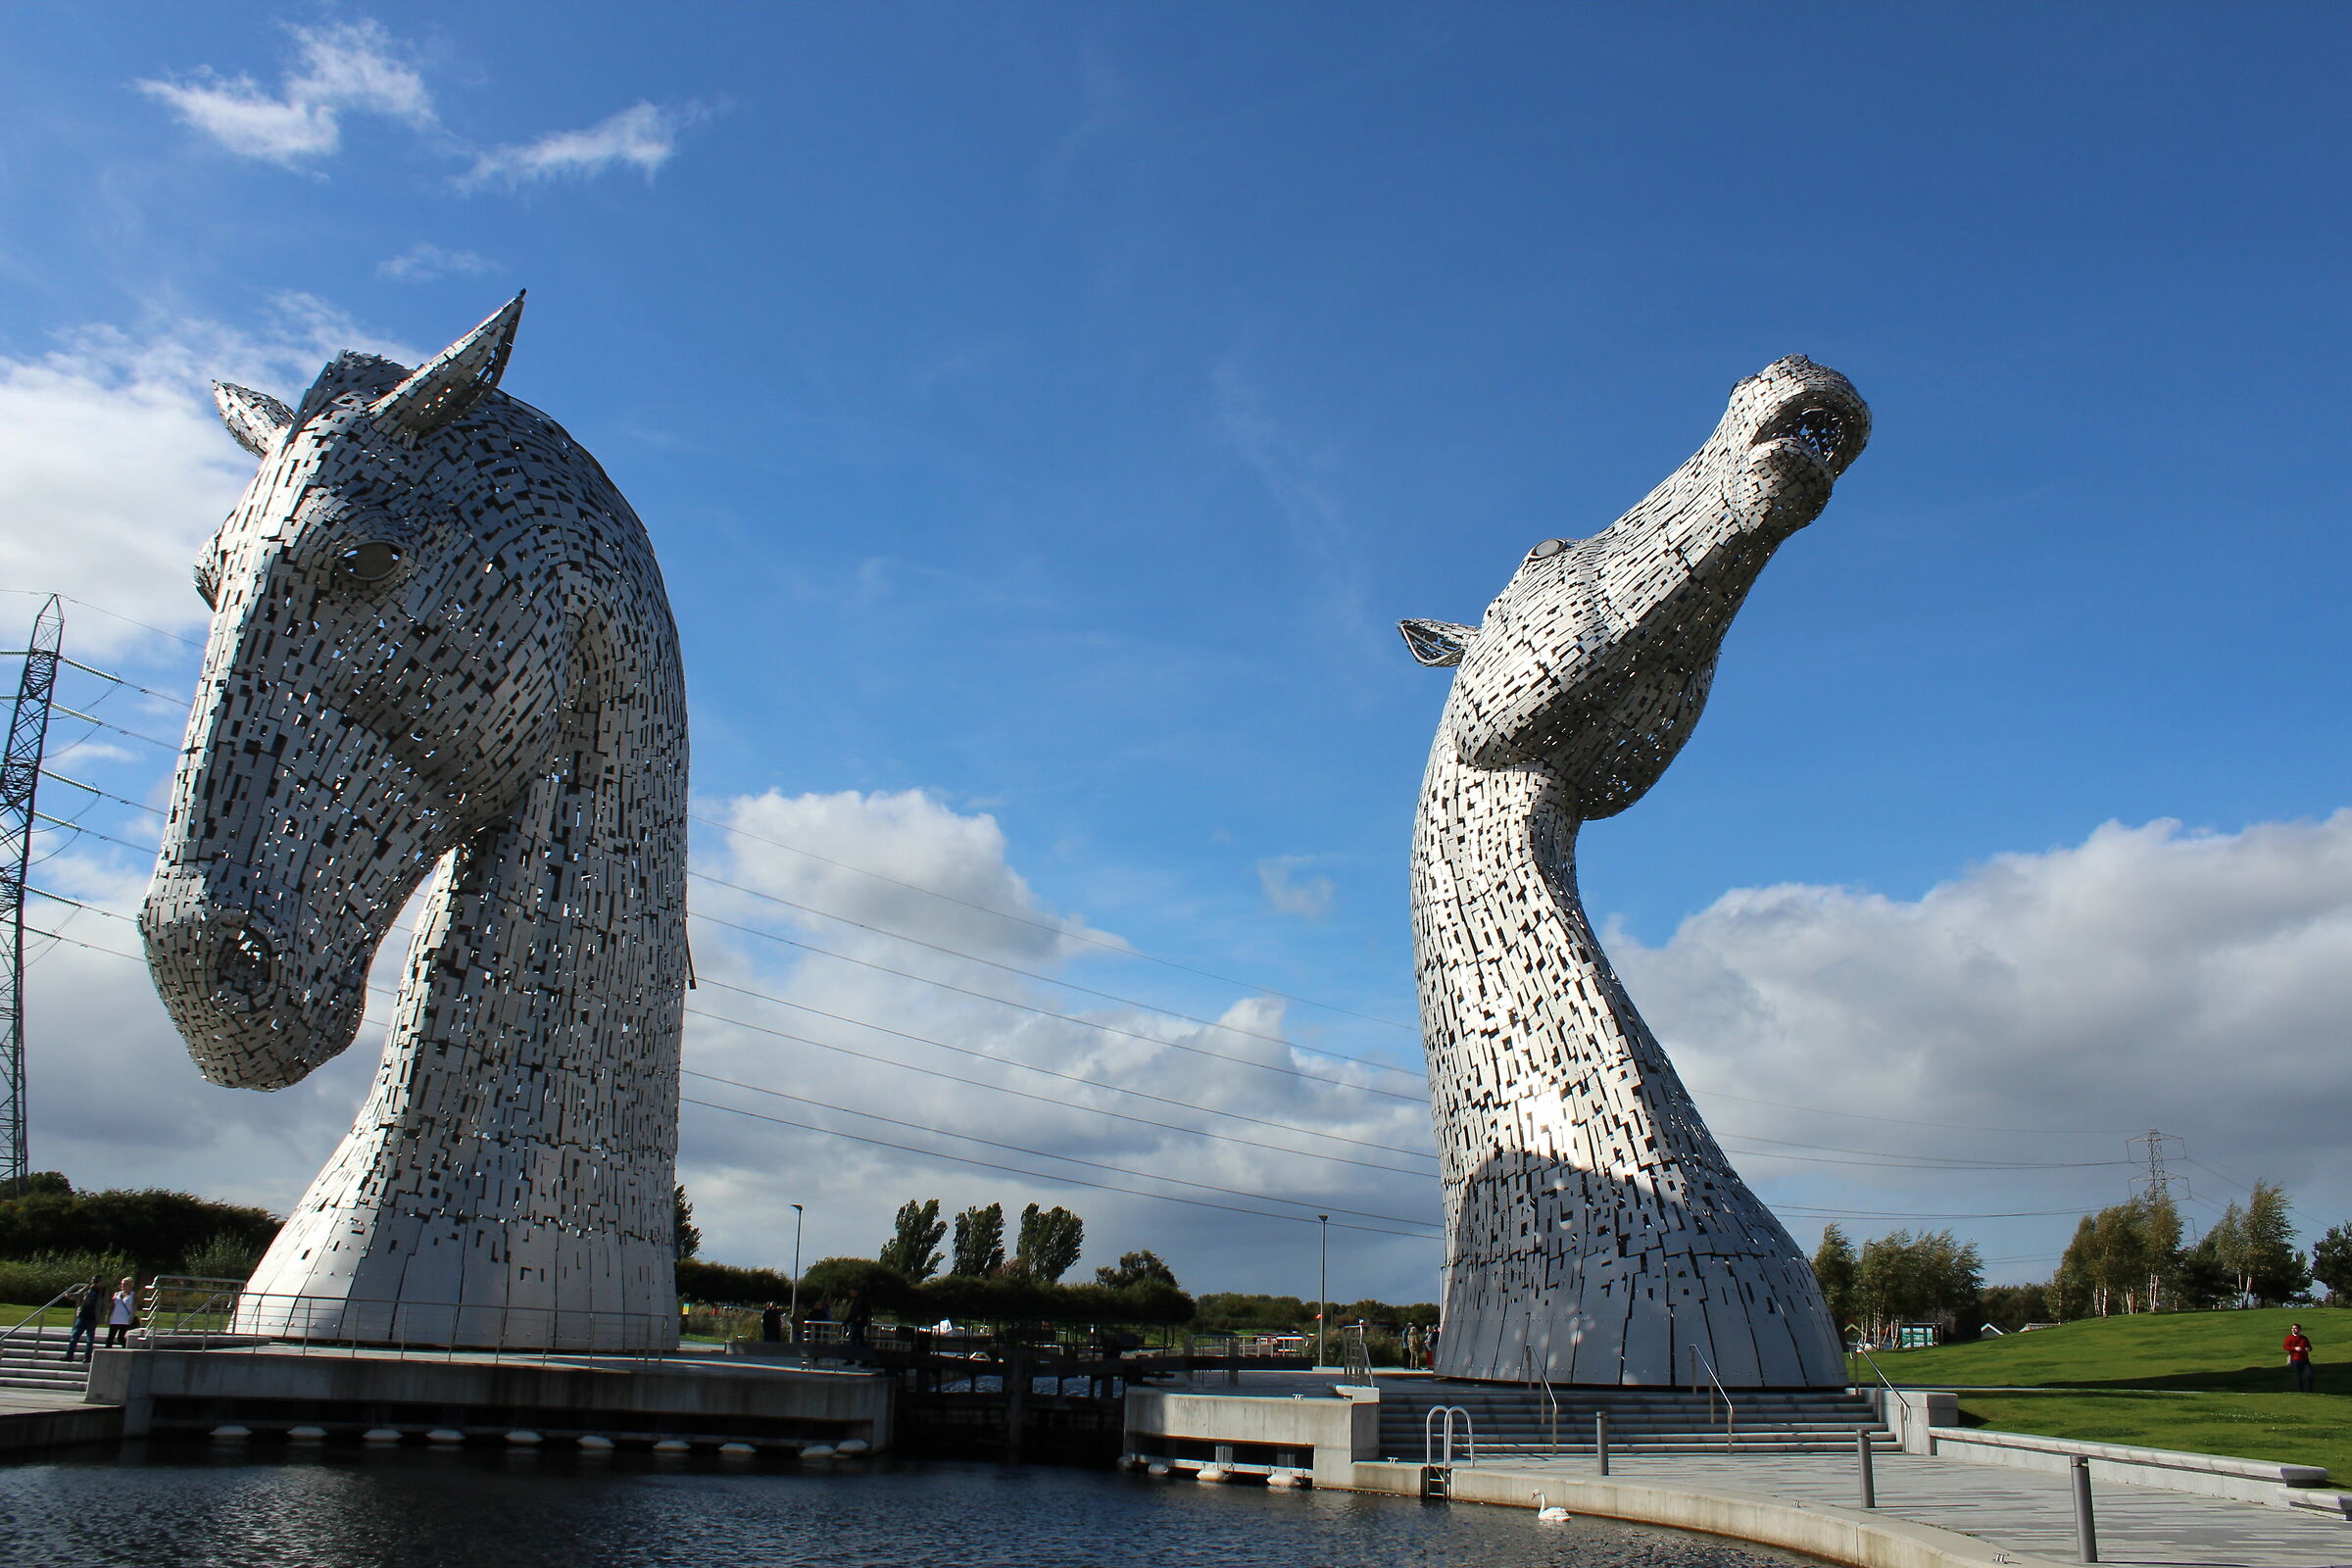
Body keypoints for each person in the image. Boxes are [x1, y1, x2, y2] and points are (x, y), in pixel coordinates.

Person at [65, 1276, 105, 1361]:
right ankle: (69, 1356)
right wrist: (69, 1295)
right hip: (83, 1316)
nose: (94, 1284)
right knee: (74, 1337)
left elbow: (104, 1307)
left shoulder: (103, 1292)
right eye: (93, 1282)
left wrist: (102, 1319)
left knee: (90, 1340)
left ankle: (87, 1357)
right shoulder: (87, 1288)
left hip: (93, 1318)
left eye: (97, 1282)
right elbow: (78, 1295)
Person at [105, 1277, 138, 1348]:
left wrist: (131, 1317)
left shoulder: (133, 1294)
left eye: (125, 1284)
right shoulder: (116, 1294)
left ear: (130, 1285)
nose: (122, 1286)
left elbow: (134, 1307)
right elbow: (112, 1306)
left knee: (120, 1337)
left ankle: (126, 1348)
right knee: (110, 1338)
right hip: (114, 1319)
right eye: (122, 1284)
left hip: (125, 1319)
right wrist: (108, 1317)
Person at [2285, 1322, 2315, 1392]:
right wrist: (2294, 1349)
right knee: (2299, 1377)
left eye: (2295, 1328)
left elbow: (2309, 1346)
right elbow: (2285, 1347)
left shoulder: (2304, 1338)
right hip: (2295, 1359)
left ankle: (2310, 1389)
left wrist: (2308, 1349)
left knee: (2310, 1375)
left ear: (2299, 1330)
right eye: (2292, 1328)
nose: (2293, 1330)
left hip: (2305, 1359)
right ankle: (2300, 1390)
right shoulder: (2289, 1338)